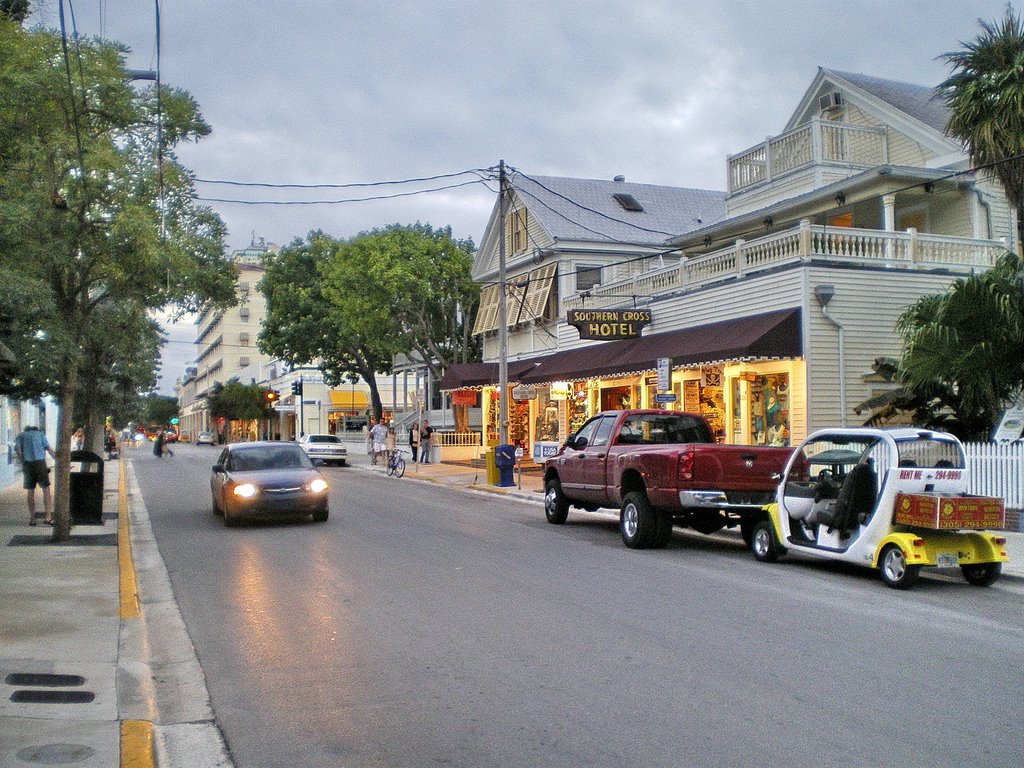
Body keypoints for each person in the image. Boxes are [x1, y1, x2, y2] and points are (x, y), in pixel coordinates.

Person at [14, 425, 55, 526]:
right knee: (46, 489)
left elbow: (18, 450)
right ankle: (48, 516)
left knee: (30, 491)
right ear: (36, 429)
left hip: (28, 464)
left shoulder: (21, 436)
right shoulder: (40, 435)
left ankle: (32, 518)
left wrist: (23, 462)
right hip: (40, 463)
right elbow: (49, 449)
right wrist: (58, 459)